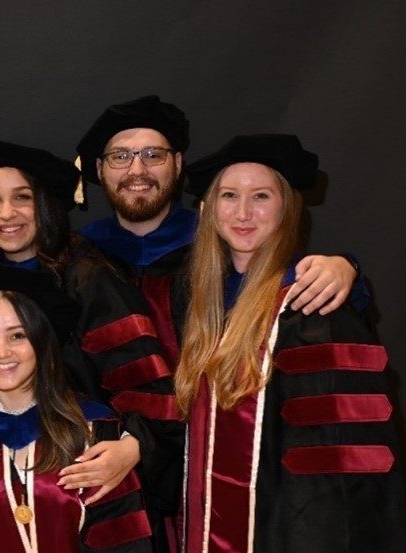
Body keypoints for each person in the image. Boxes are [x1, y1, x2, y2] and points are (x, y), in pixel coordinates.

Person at [174, 134, 406, 552]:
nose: (243, 212)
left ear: (286, 208)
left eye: (260, 196)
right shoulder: (204, 307)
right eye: (229, 195)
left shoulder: (311, 307)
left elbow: (335, 469)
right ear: (209, 211)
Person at [0, 139, 181, 549]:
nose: (6, 214)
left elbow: (148, 386)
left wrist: (132, 449)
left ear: (46, 205)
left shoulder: (89, 279)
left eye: (22, 198)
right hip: (9, 482)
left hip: (86, 482)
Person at [76, 95, 359, 369]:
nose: (137, 170)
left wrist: (345, 268)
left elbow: (282, 280)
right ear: (100, 168)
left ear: (177, 164)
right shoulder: (79, 254)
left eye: (153, 155)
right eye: (120, 156)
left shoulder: (222, 241)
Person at [0, 274, 154, 552]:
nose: (1, 351)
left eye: (18, 335)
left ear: (41, 343)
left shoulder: (96, 433)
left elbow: (123, 542)